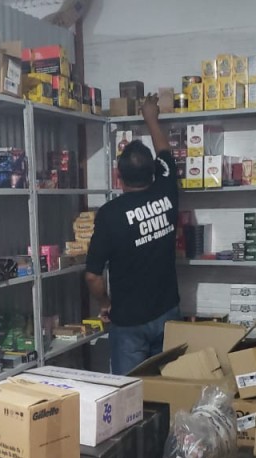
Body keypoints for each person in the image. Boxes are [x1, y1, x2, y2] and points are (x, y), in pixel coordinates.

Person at [85, 94, 180, 375]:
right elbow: (165, 152)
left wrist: (105, 303)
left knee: (130, 393)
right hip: (168, 313)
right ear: (153, 172)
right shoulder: (167, 190)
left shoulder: (110, 214)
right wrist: (150, 117)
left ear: (118, 176)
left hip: (129, 323)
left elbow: (92, 276)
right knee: (168, 389)